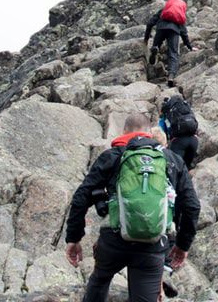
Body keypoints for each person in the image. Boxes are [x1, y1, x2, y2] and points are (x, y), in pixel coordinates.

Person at [65, 112, 200, 302]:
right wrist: (182, 245)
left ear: (124, 131)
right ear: (149, 133)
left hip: (113, 240)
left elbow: (81, 197)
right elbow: (192, 206)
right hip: (152, 244)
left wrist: (73, 238)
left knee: (101, 278)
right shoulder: (171, 159)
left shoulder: (112, 156)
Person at [144, 0, 194, 87]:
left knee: (157, 44)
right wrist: (190, 47)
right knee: (173, 54)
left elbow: (150, 23)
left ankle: (155, 48)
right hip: (174, 32)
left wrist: (146, 38)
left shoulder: (163, 11)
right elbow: (184, 33)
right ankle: (171, 76)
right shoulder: (179, 16)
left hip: (161, 28)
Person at [158, 94, 199, 170]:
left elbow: (161, 130)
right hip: (194, 140)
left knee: (176, 169)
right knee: (187, 167)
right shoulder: (186, 109)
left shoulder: (167, 113)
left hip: (178, 142)